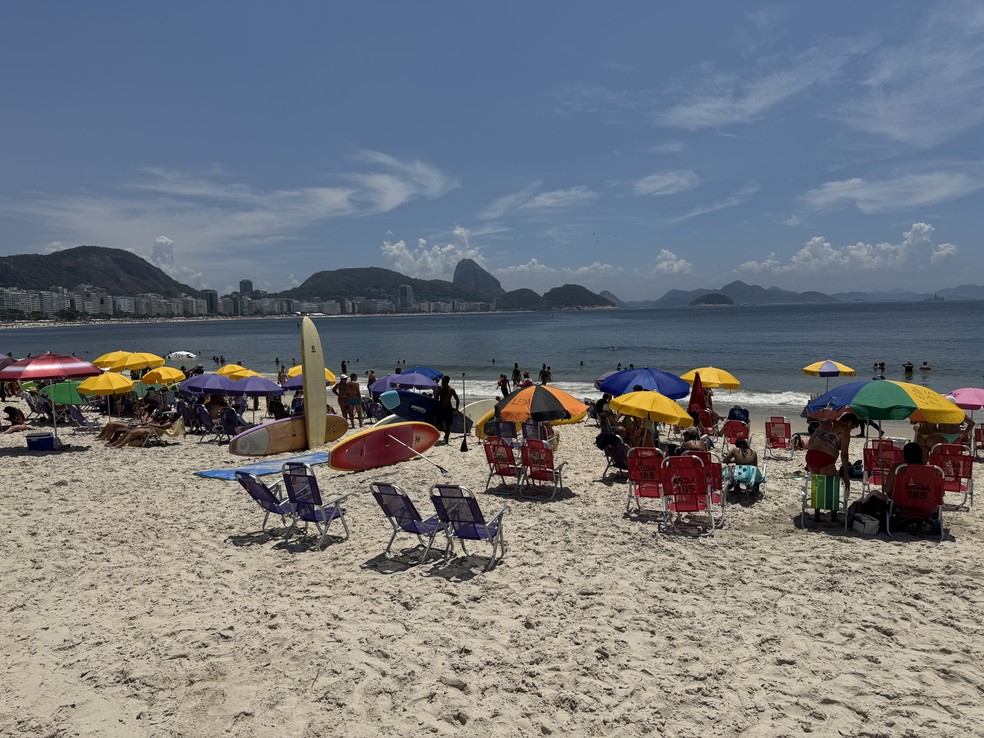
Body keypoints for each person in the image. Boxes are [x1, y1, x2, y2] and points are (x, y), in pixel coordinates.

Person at [805, 412, 859, 520]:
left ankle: (816, 514)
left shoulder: (826, 423)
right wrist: (846, 476)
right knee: (832, 485)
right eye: (853, 427)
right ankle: (833, 516)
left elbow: (811, 441)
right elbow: (844, 454)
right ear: (849, 423)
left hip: (810, 457)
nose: (851, 430)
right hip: (825, 460)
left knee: (818, 483)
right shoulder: (845, 430)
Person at [433, 374, 460, 444]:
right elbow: (436, 398)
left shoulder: (451, 390)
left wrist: (456, 410)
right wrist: (436, 392)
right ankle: (446, 433)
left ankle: (447, 439)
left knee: (448, 425)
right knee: (439, 425)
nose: (442, 383)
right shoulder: (440, 389)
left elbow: (457, 399)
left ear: (447, 382)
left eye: (443, 382)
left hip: (448, 409)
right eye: (442, 381)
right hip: (441, 408)